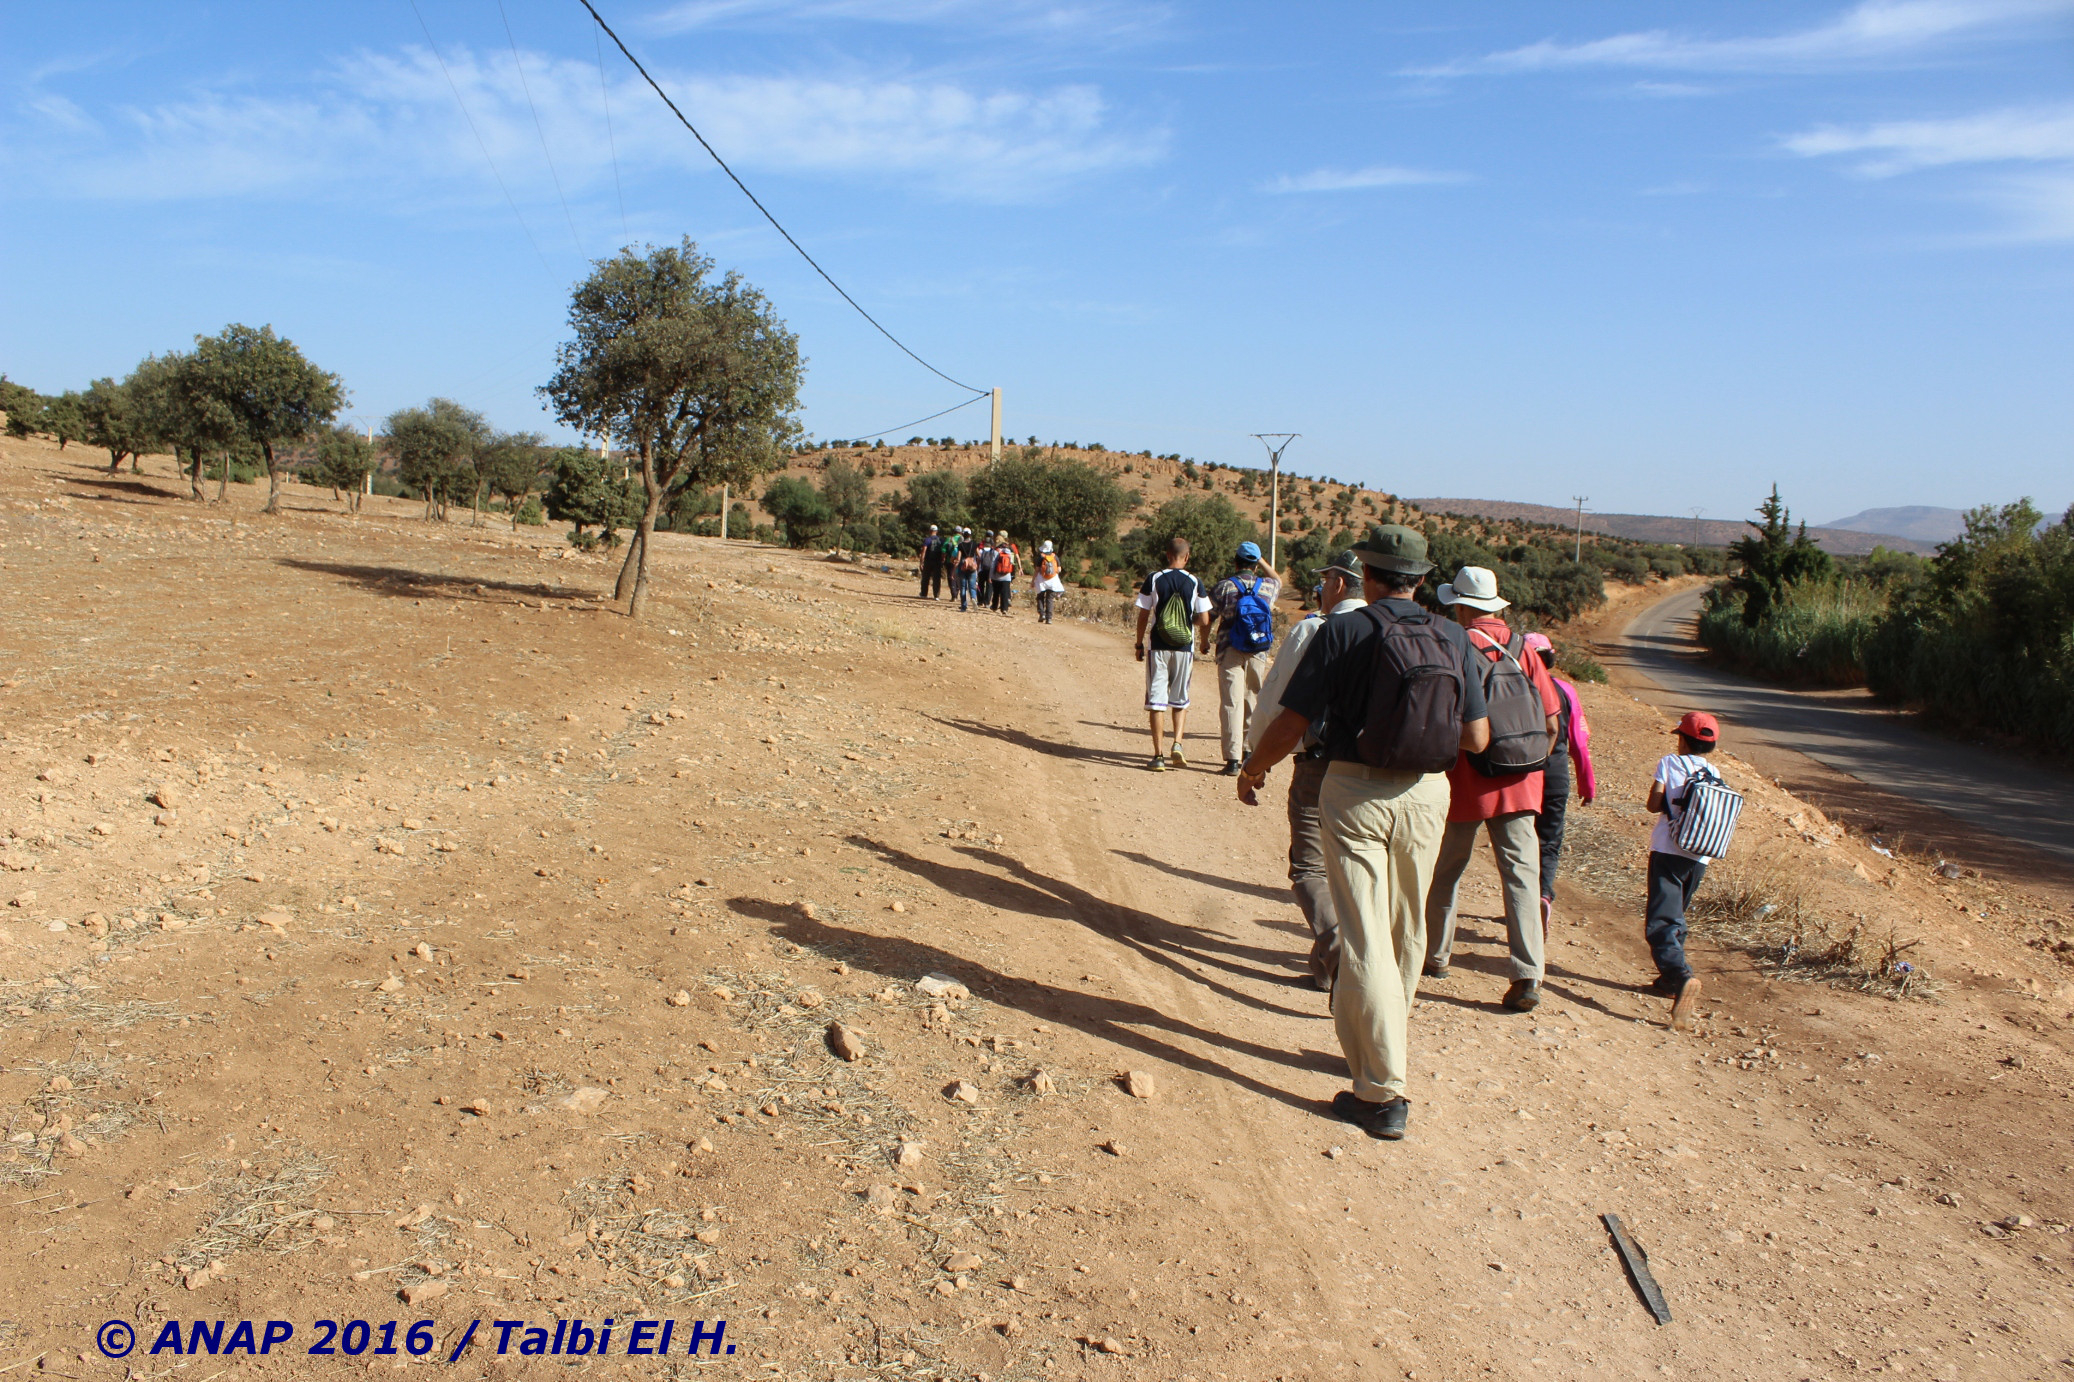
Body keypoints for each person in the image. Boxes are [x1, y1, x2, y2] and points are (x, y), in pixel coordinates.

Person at [1236, 525, 1490, 1142]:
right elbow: (1477, 738)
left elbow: (1292, 721)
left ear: (1367, 575)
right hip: (1428, 794)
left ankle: (1380, 1091)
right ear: (1422, 580)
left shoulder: (1342, 631)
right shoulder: (1454, 636)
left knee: (1365, 935)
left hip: (1353, 789)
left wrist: (1252, 768)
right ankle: (1381, 1051)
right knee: (1406, 928)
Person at [1422, 566, 1562, 1013]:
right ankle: (1527, 975)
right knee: (1522, 877)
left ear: (1461, 607)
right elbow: (1552, 722)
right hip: (1521, 783)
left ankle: (1436, 956)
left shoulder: (1453, 644)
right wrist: (1525, 765)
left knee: (1446, 872)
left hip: (1466, 782)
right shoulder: (1524, 649)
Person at [1247, 549, 1365, 991]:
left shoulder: (1316, 628)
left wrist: (1255, 761)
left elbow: (1276, 703)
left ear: (1338, 583)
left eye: (1325, 580)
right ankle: (1324, 966)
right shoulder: (1390, 630)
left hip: (1320, 765)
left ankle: (1342, 960)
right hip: (1378, 772)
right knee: (1352, 868)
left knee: (1310, 869)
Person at [1646, 711, 1721, 1030]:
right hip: (1700, 856)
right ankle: (1668, 980)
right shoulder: (1714, 772)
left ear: (1683, 740)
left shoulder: (1670, 763)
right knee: (1677, 915)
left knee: (1661, 920)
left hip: (1668, 849)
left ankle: (1681, 976)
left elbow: (1653, 803)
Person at [1521, 631, 1596, 935]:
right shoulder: (1565, 690)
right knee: (1549, 841)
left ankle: (1521, 903)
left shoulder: (1514, 686)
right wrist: (1587, 785)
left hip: (1521, 776)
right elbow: (1579, 741)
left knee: (1521, 841)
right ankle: (1543, 894)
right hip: (1555, 775)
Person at [1133, 536, 1213, 772]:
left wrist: (1138, 644)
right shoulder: (1195, 581)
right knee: (1180, 700)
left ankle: (1158, 756)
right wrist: (1195, 629)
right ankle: (1177, 743)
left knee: (1157, 701)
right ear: (1187, 557)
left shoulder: (1154, 578)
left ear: (1168, 555)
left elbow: (1143, 614)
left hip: (1158, 646)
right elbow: (1205, 619)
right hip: (1184, 648)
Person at [1210, 541, 1282, 777]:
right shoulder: (1268, 587)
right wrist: (1262, 560)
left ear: (1235, 562)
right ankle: (1248, 752)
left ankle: (1232, 760)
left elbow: (1208, 615)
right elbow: (1278, 580)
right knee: (1252, 698)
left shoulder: (1224, 587)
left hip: (1229, 649)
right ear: (1256, 565)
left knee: (1232, 702)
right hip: (1258, 650)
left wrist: (1203, 640)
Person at [1033, 540, 1065, 624]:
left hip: (1041, 580)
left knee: (1040, 597)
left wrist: (1033, 581)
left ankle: (1042, 614)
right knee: (1049, 599)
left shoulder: (1041, 557)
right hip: (1053, 581)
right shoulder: (1055, 557)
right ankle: (1049, 618)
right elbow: (1059, 569)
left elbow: (1037, 570)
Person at [990, 530, 1018, 615]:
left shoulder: (996, 551)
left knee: (996, 592)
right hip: (1007, 575)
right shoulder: (1009, 551)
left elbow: (993, 564)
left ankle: (994, 606)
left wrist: (990, 575)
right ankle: (1004, 608)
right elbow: (1012, 563)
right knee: (1005, 593)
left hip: (997, 575)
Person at [954, 529, 980, 612]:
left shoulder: (960, 545)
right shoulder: (974, 544)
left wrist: (955, 568)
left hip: (963, 565)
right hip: (972, 565)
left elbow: (958, 558)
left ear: (963, 535)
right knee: (972, 586)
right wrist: (977, 564)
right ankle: (973, 598)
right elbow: (979, 555)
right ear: (970, 535)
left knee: (963, 587)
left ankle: (964, 606)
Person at [918, 524, 945, 600]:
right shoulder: (941, 540)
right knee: (936, 579)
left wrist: (921, 562)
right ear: (936, 531)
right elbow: (944, 551)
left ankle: (924, 594)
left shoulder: (927, 540)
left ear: (930, 531)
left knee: (925, 578)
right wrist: (943, 559)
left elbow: (924, 551)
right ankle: (936, 595)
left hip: (928, 561)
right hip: (938, 562)